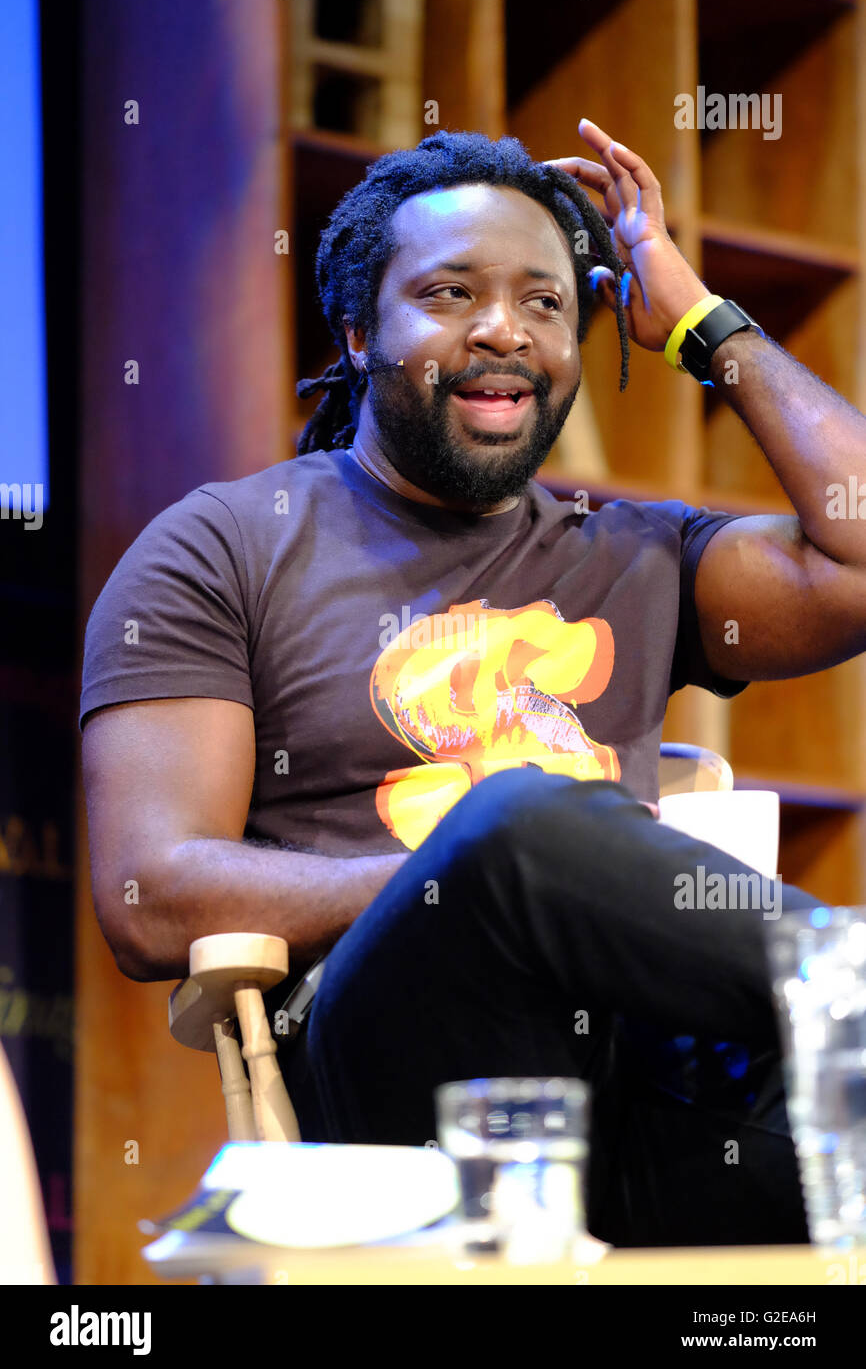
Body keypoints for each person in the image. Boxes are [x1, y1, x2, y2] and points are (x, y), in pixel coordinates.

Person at [80, 122, 866, 1248]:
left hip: (646, 1108)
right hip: (397, 1112)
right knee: (512, 821)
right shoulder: (223, 548)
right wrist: (456, 878)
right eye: (450, 293)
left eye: (546, 302)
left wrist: (700, 319)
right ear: (357, 331)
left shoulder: (636, 552)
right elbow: (146, 893)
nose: (503, 328)